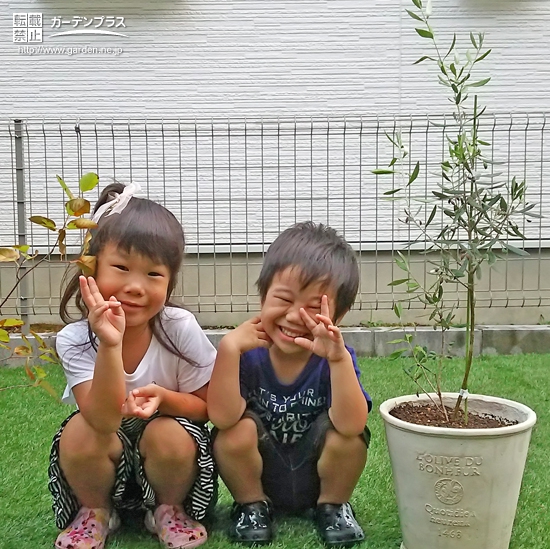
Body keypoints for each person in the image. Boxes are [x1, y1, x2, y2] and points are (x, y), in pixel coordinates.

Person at [48, 182, 217, 549]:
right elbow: (103, 421)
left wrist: (165, 399)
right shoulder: (75, 339)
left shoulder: (179, 327)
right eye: (121, 267)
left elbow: (207, 408)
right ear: (91, 267)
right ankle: (95, 513)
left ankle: (167, 511)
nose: (136, 286)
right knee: (79, 431)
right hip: (103, 455)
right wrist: (110, 345)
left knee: (169, 432)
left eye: (153, 274)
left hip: (170, 465)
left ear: (170, 280)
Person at [207, 221, 372, 546]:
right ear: (263, 295)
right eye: (283, 299)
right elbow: (222, 418)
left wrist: (338, 361)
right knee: (233, 434)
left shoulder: (336, 359)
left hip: (316, 473)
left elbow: (352, 425)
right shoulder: (247, 354)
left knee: (348, 441)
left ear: (339, 315)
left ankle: (333, 507)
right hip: (262, 472)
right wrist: (227, 349)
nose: (296, 316)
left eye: (314, 308)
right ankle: (251, 505)